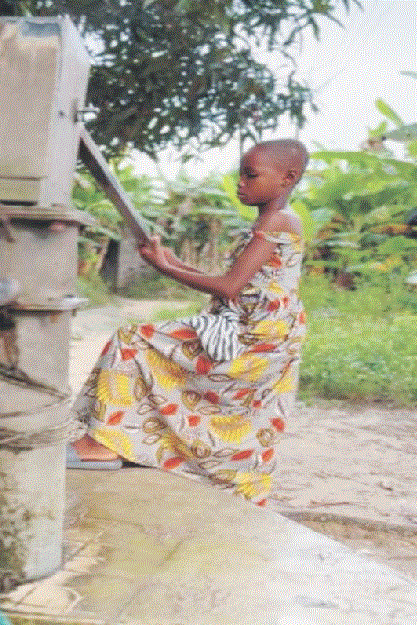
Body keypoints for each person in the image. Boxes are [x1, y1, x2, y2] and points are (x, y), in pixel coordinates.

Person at [68, 138, 309, 506]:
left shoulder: (278, 221)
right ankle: (115, 440)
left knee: (134, 340)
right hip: (261, 329)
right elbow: (237, 284)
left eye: (251, 175)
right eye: (241, 173)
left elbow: (229, 287)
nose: (241, 182)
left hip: (256, 336)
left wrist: (165, 267)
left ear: (287, 178)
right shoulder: (273, 219)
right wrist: (171, 261)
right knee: (147, 349)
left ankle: (102, 444)